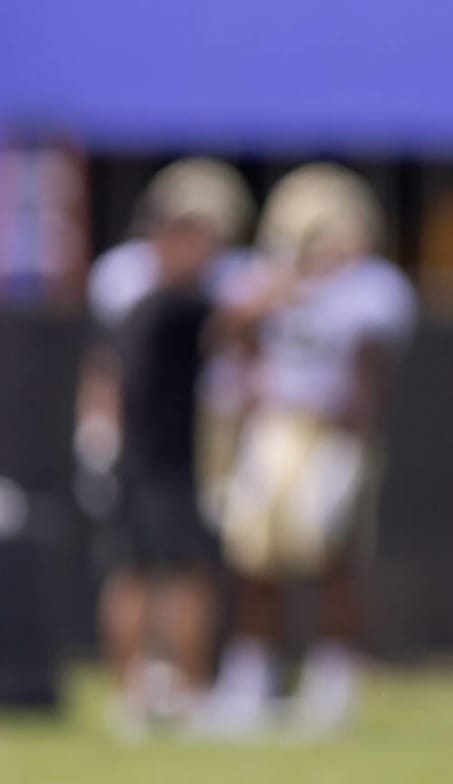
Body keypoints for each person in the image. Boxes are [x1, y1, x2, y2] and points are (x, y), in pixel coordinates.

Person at [201, 164, 415, 736]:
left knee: (333, 557)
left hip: (331, 433)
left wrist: (352, 452)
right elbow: (230, 336)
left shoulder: (369, 287)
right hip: (274, 427)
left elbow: (369, 374)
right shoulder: (264, 279)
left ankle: (332, 682)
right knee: (254, 557)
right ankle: (253, 679)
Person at [77, 158, 255, 733]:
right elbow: (242, 316)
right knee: (179, 577)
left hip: (134, 459)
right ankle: (184, 691)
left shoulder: (139, 302)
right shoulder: (177, 303)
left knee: (135, 573)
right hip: (167, 462)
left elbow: (102, 369)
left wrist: (99, 439)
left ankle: (137, 695)